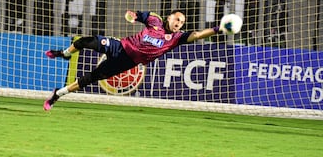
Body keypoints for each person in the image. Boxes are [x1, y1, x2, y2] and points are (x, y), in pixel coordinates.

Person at [43, 10, 222, 111]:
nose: (179, 23)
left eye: (182, 22)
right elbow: (137, 15)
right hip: (119, 46)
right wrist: (132, 16)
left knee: (91, 78)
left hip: (126, 63)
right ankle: (65, 53)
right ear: (169, 17)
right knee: (85, 41)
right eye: (177, 19)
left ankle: (58, 94)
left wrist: (217, 29)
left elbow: (198, 35)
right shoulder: (155, 20)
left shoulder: (176, 38)